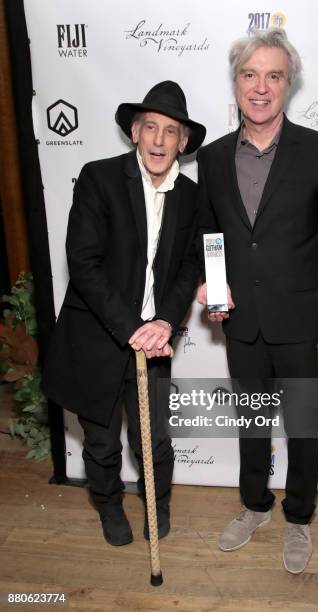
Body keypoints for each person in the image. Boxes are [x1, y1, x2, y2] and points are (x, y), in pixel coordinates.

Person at [197, 29, 318, 573]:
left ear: (289, 85)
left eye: (274, 76)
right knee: (252, 423)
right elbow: (209, 237)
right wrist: (208, 287)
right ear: (236, 82)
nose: (260, 87)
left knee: (304, 429)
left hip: (305, 325)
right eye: (250, 75)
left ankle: (299, 518)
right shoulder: (213, 157)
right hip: (242, 325)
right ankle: (255, 506)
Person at [43, 81, 206, 546]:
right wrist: (132, 326)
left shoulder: (192, 197)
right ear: (134, 133)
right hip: (99, 336)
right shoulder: (99, 178)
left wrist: (163, 323)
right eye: (150, 127)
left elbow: (190, 265)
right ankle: (109, 504)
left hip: (154, 341)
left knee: (153, 440)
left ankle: (159, 501)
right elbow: (84, 262)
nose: (159, 139)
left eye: (170, 131)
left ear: (184, 142)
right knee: (101, 442)